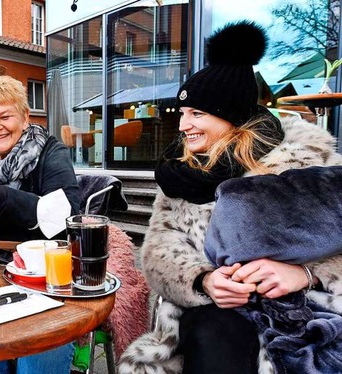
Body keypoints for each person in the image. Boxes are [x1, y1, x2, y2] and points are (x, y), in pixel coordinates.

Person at [119, 21, 342, 374]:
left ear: (231, 117)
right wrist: (201, 280)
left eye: (197, 113)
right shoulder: (180, 175)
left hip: (309, 312)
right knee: (216, 334)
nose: (182, 126)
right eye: (182, 113)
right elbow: (159, 251)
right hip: (212, 315)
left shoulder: (309, 163)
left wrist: (305, 274)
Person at [0, 75, 79, 373]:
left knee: (36, 364)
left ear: (24, 117)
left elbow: (67, 215)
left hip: (48, 285)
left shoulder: (51, 152)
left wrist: (2, 196)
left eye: (5, 116)